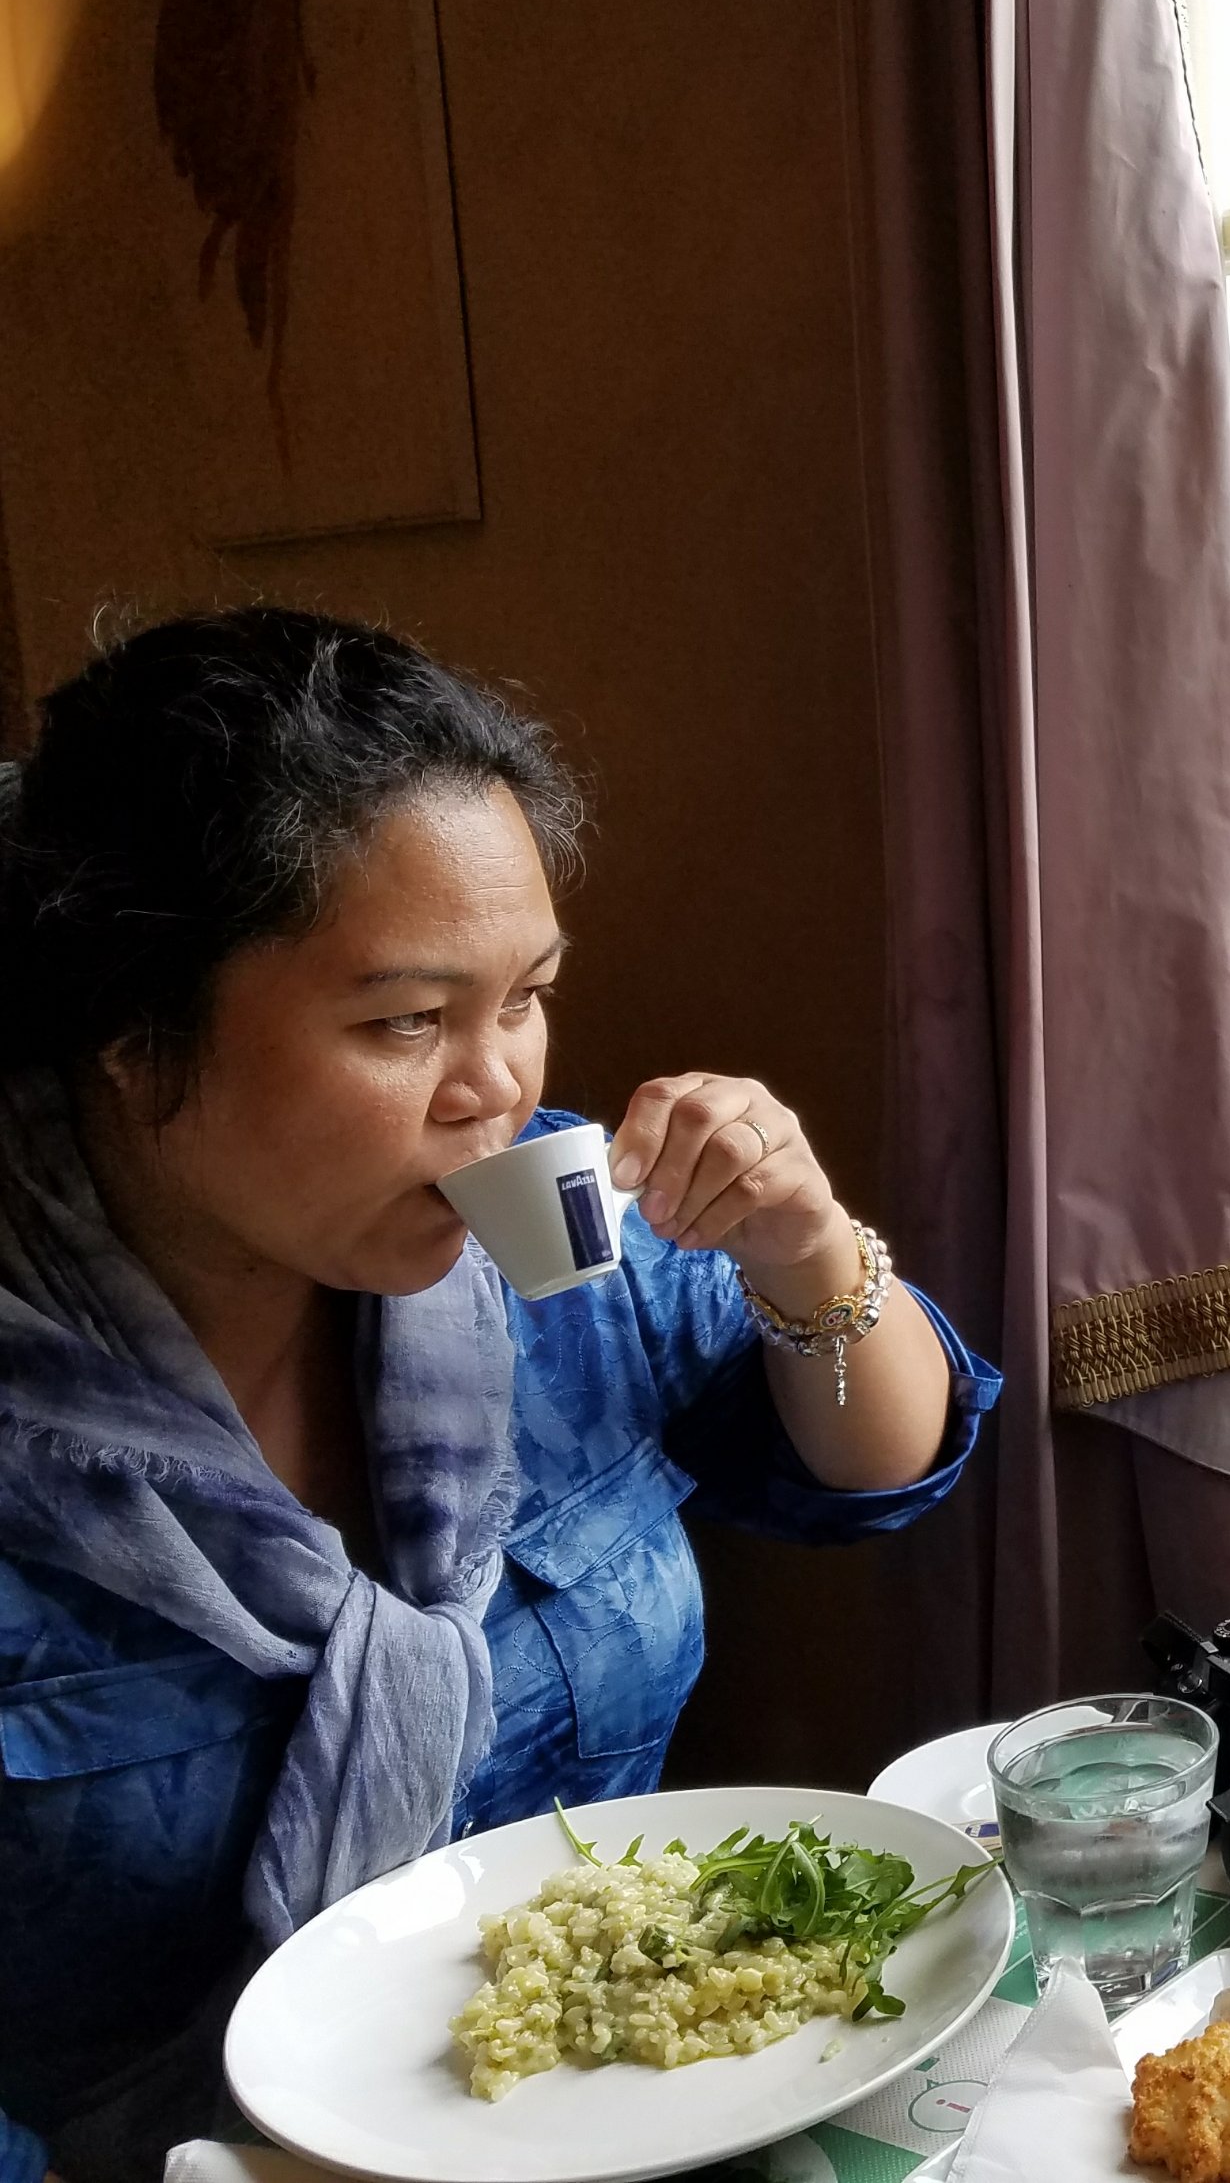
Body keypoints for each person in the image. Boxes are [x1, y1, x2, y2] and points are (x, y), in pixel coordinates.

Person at [0, 610, 1000, 2183]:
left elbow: (881, 1462)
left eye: (525, 995)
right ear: (136, 1034)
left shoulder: (547, 1234)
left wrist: (807, 1245)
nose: (499, 1087)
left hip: (632, 2108)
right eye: (407, 1021)